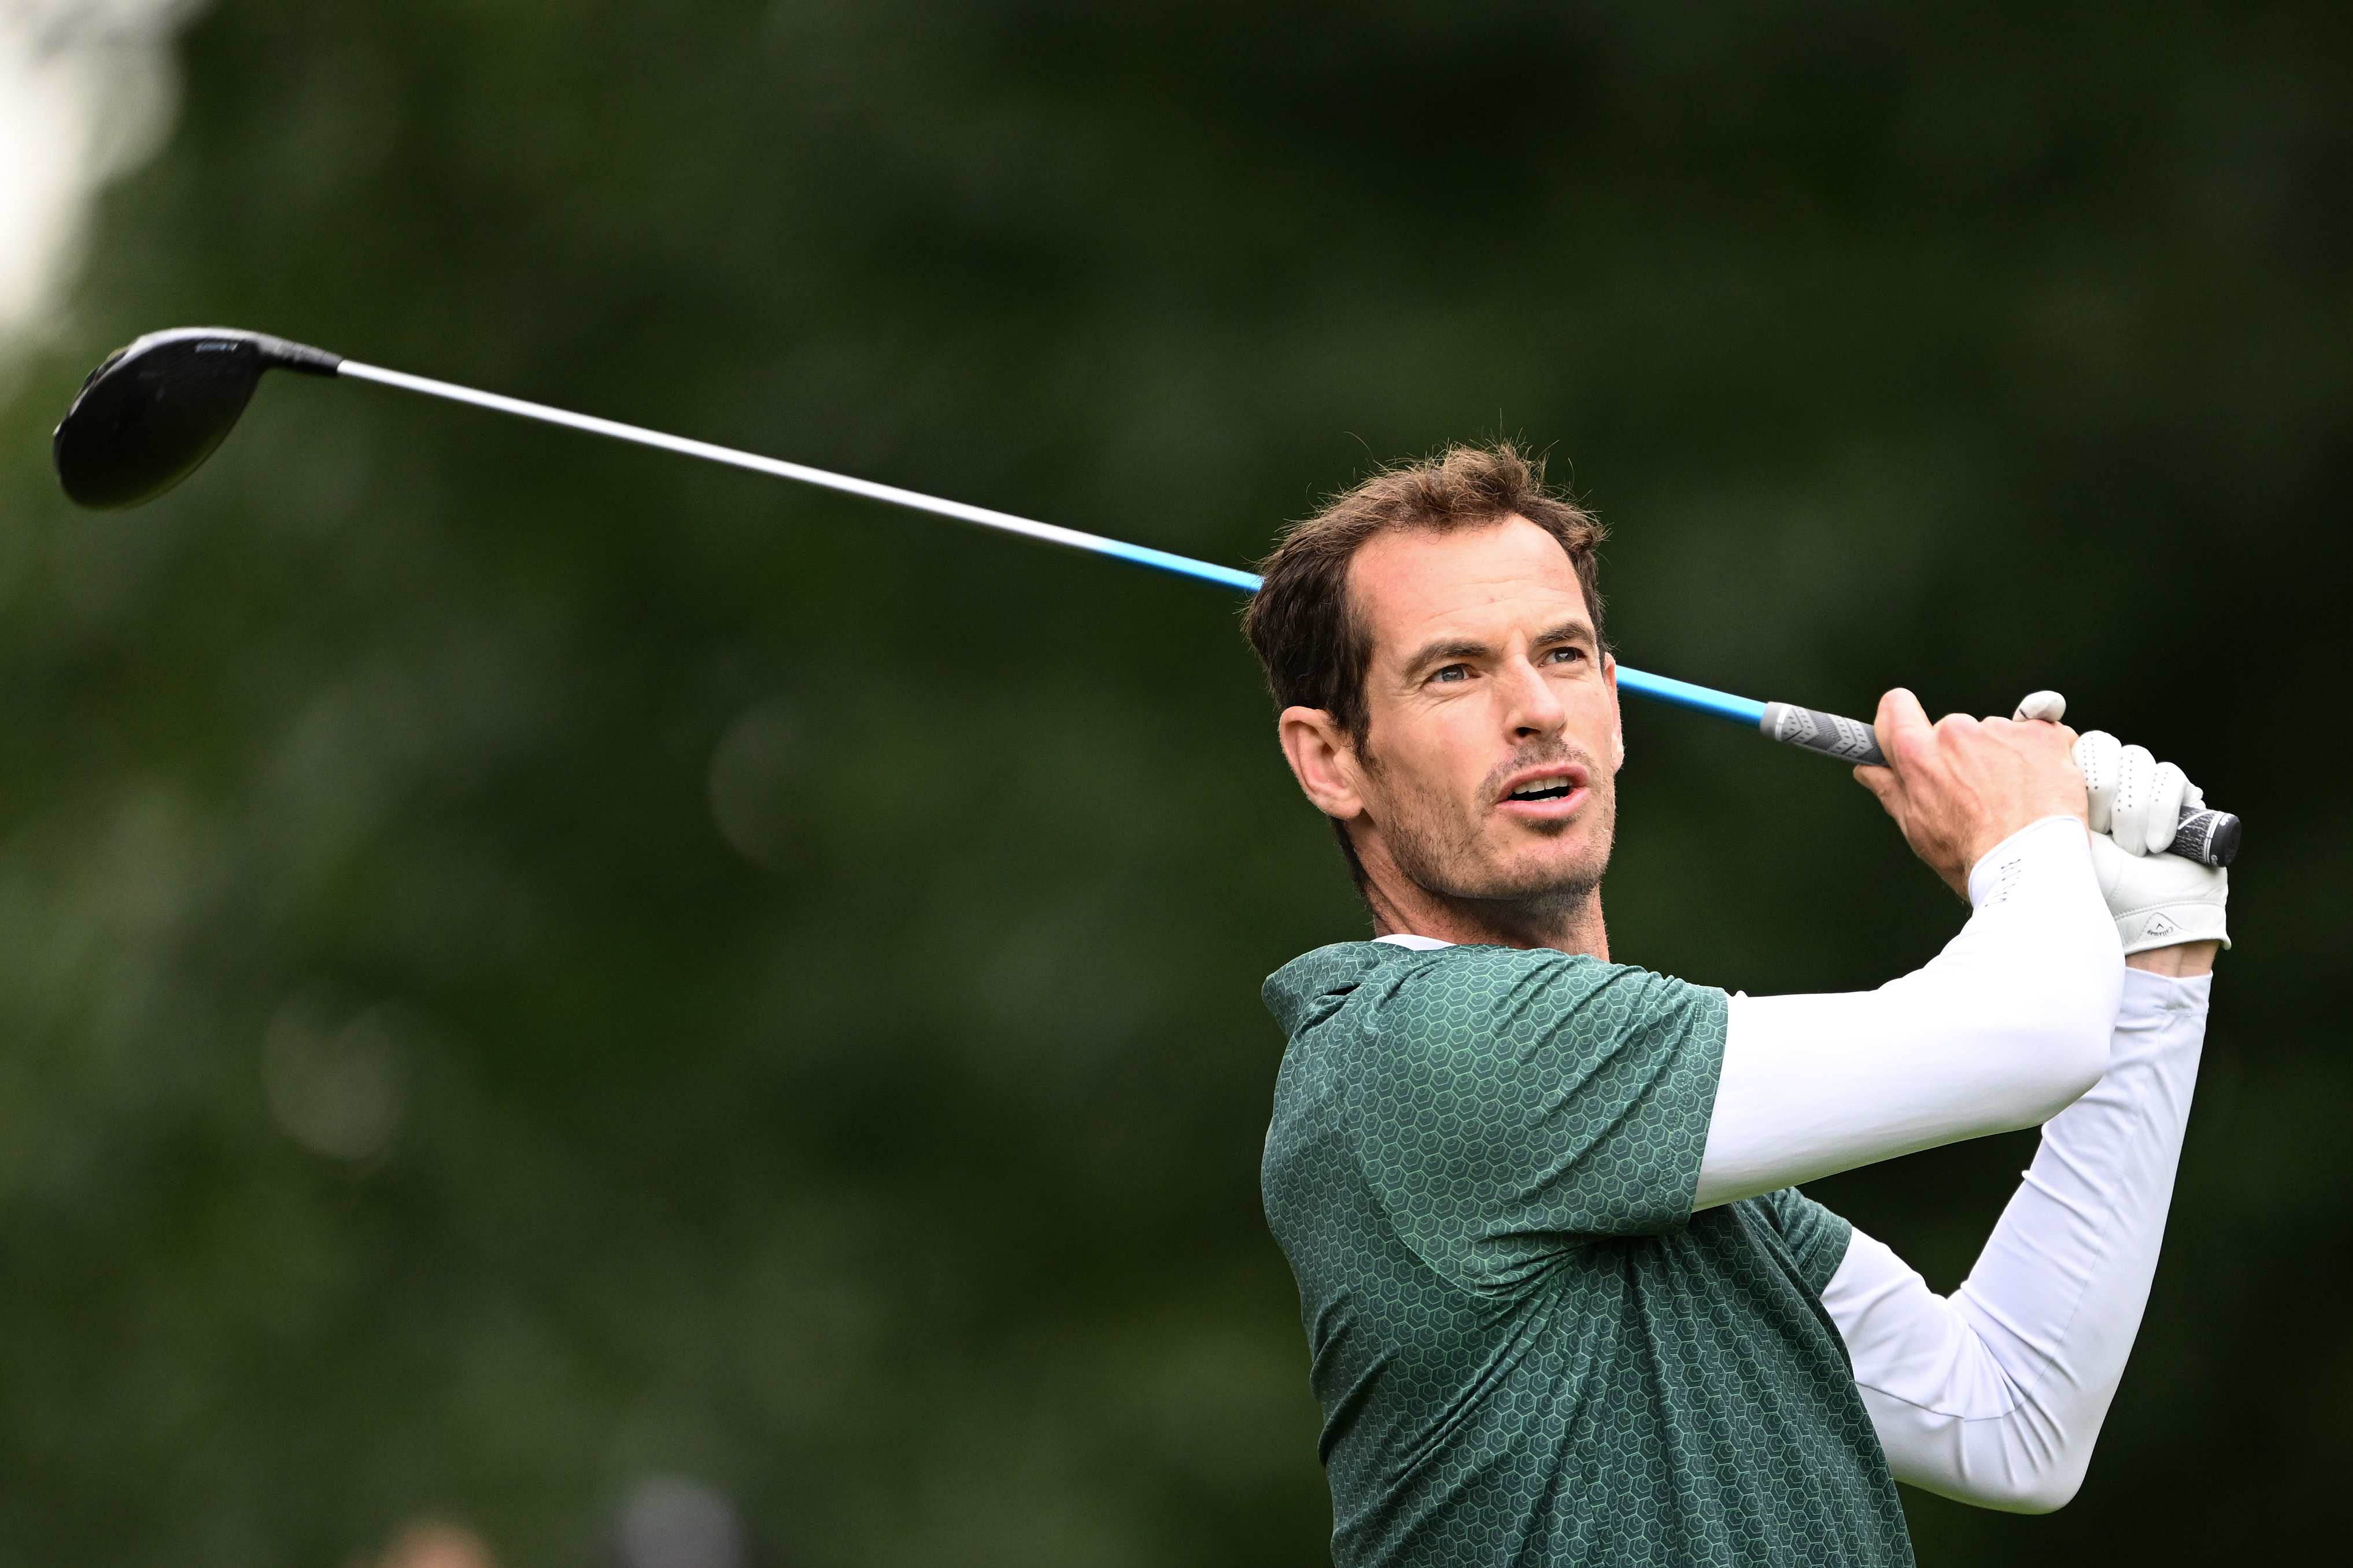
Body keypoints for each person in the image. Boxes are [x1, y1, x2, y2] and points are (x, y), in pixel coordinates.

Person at [1242, 445, 2228, 1568]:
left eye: (1561, 655)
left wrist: (2152, 951)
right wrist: (2026, 829)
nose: (1532, 710)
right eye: (1453, 673)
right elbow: (2031, 1038)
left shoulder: (1670, 1165)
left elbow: (2009, 1420)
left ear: (1611, 708)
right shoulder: (1421, 1043)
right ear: (1329, 760)